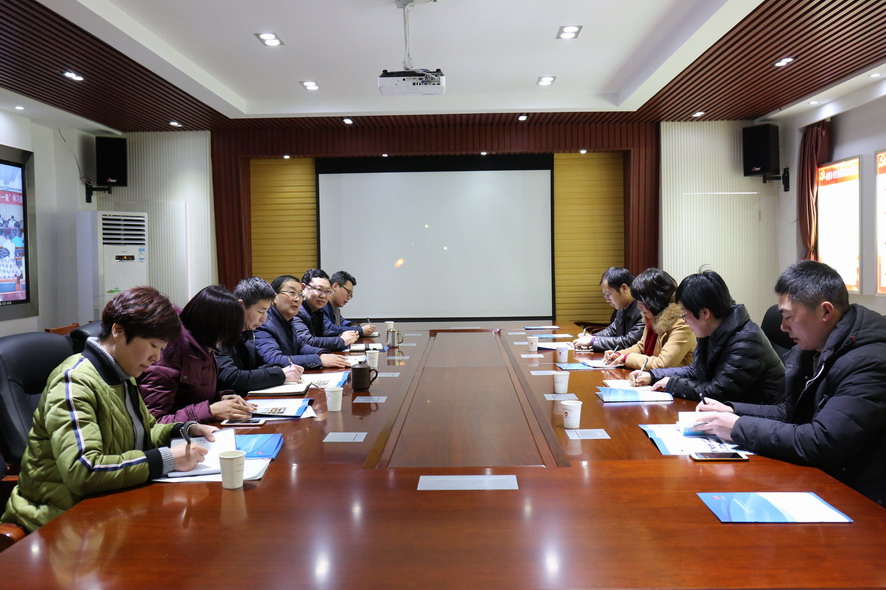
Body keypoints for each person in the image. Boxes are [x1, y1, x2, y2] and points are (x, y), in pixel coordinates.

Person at [1, 287, 216, 532]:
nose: (157, 358)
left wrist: (184, 429)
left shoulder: (123, 373)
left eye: (161, 349)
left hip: (108, 507)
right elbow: (84, 469)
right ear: (118, 331)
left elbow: (146, 431)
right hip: (59, 520)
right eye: (153, 346)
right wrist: (166, 459)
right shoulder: (73, 381)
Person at [695, 260, 886, 506]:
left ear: (825, 312)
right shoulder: (815, 348)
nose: (783, 327)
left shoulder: (869, 361)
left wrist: (737, 427)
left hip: (859, 499)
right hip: (822, 478)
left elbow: (821, 441)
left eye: (788, 317)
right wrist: (732, 410)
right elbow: (791, 412)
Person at [629, 270, 784, 403]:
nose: (684, 320)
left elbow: (717, 392)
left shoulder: (746, 340)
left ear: (704, 313)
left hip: (763, 415)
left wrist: (672, 384)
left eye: (684, 314)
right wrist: (652, 376)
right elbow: (695, 371)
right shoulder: (710, 330)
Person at [139, 285, 254, 423]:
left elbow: (193, 396)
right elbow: (154, 422)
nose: (227, 339)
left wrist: (221, 398)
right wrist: (210, 411)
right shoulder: (170, 356)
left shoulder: (204, 348)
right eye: (228, 331)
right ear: (213, 326)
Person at [215, 276, 304, 396]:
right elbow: (231, 377)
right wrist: (280, 374)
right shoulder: (221, 332)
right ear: (241, 306)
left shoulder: (247, 330)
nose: (264, 318)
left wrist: (276, 368)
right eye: (261, 311)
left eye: (266, 311)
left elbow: (249, 370)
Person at [603, 268, 695, 370]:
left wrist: (626, 358)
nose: (639, 307)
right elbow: (641, 346)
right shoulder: (653, 316)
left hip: (672, 379)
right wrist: (619, 354)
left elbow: (662, 364)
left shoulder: (682, 324)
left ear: (655, 299)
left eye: (641, 302)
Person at [255, 274, 350, 369]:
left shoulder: (288, 320)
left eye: (300, 295)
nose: (297, 299)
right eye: (292, 292)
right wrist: (319, 360)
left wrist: (322, 354)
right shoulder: (263, 324)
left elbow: (301, 346)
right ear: (274, 297)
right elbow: (274, 359)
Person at [573, 267, 644, 352]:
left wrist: (593, 341)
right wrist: (593, 337)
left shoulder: (643, 310)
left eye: (608, 294)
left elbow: (629, 342)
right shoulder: (622, 307)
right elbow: (612, 330)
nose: (607, 300)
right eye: (605, 295)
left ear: (624, 288)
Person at [293, 269, 360, 351]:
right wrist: (341, 340)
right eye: (318, 289)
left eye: (328, 291)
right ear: (303, 288)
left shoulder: (318, 311)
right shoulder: (295, 311)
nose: (323, 296)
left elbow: (327, 332)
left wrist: (348, 334)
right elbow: (306, 341)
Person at [322, 270, 376, 337]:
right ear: (335, 286)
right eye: (348, 292)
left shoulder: (335, 307)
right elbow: (330, 329)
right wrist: (360, 330)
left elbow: (341, 321)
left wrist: (353, 325)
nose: (348, 297)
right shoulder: (321, 305)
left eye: (350, 295)